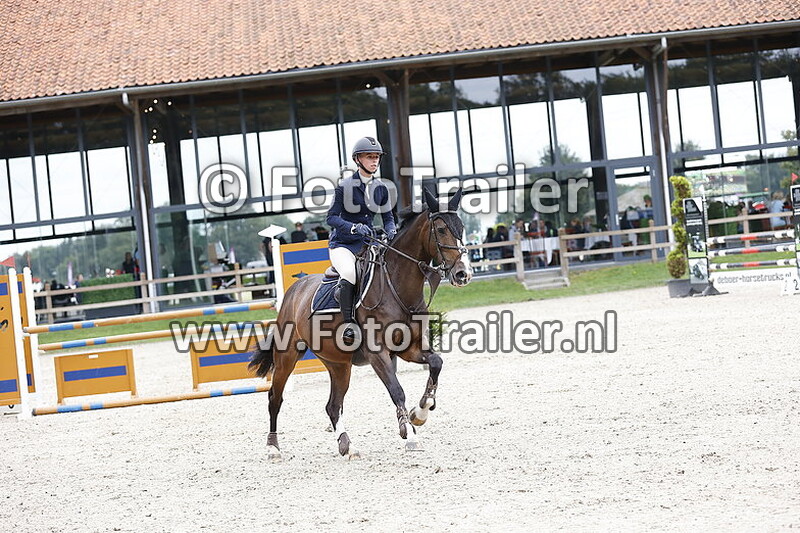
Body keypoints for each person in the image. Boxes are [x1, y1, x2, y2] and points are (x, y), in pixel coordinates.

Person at [326, 136, 396, 341]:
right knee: (349, 272)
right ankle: (348, 324)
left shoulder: (382, 188)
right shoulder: (344, 187)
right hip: (343, 245)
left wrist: (391, 231)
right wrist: (354, 228)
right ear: (358, 160)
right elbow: (331, 218)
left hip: (368, 245)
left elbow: (388, 218)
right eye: (369, 157)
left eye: (376, 157)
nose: (374, 161)